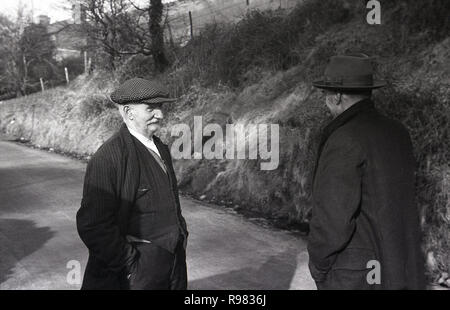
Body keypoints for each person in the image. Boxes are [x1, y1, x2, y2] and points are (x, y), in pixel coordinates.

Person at [308, 54, 425, 290]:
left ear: (337, 97)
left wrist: (319, 267)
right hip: (400, 269)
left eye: (325, 95)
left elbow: (332, 218)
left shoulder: (344, 138)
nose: (325, 101)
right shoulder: (398, 132)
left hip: (355, 278)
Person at [76, 78, 188, 290]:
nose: (160, 115)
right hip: (136, 274)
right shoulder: (108, 158)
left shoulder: (161, 148)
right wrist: (130, 265)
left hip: (173, 265)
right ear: (129, 113)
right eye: (151, 109)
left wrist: (180, 233)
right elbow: (92, 225)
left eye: (161, 107)